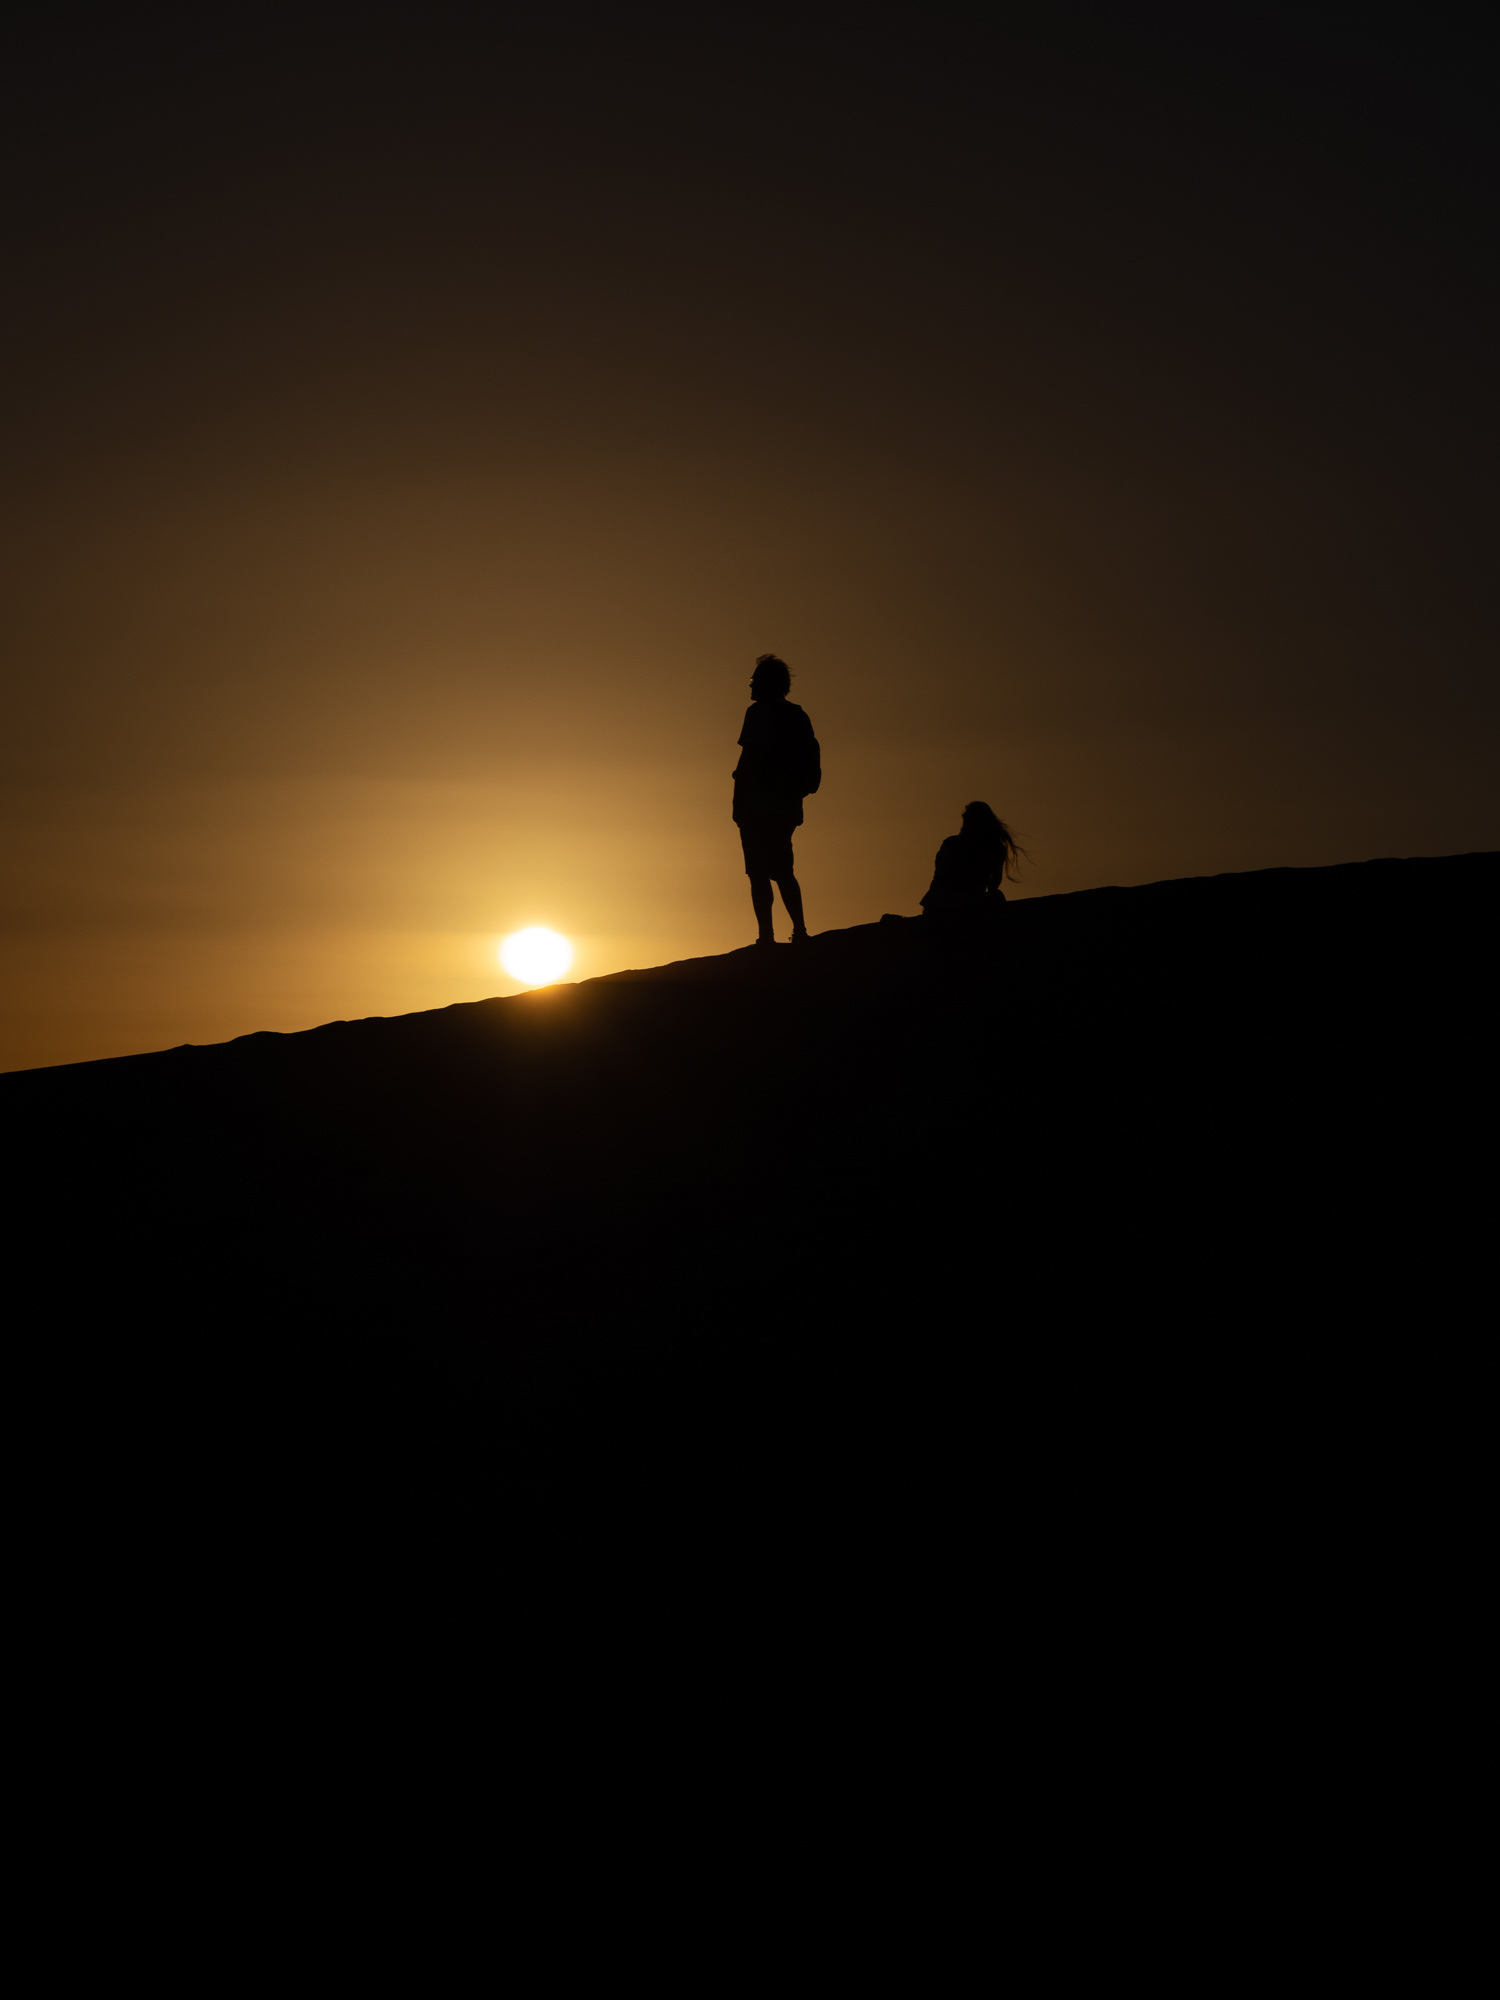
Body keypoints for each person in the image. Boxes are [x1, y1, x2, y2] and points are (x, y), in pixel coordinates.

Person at [732, 654, 821, 946]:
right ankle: (799, 930)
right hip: (786, 806)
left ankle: (767, 937)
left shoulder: (758, 713)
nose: (751, 685)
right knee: (783, 870)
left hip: (759, 804)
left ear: (767, 683)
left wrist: (738, 804)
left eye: (755, 680)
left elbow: (749, 760)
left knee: (759, 872)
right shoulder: (798, 715)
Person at [920, 802, 1022, 918]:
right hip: (949, 902)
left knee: (996, 897)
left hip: (955, 902)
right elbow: (994, 883)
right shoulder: (993, 848)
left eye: (967, 818)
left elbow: (941, 874)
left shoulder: (953, 844)